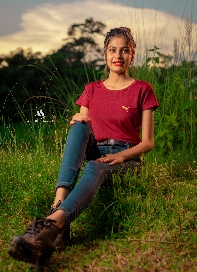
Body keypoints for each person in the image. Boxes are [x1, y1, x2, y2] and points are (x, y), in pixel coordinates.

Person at [8, 27, 159, 269]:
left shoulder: (142, 89)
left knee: (94, 167)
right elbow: (84, 130)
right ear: (104, 54)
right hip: (96, 150)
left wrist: (121, 155)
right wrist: (76, 121)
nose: (118, 55)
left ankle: (50, 226)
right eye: (112, 50)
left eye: (125, 50)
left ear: (133, 55)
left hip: (126, 157)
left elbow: (148, 142)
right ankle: (57, 208)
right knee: (79, 124)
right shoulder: (91, 89)